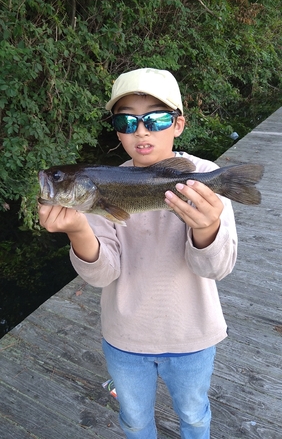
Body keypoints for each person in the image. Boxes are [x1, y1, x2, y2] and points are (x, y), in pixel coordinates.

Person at [38, 68, 238, 439]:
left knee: (195, 417)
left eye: (156, 119)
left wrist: (206, 226)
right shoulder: (99, 189)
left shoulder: (204, 175)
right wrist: (79, 227)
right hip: (125, 339)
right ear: (117, 131)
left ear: (178, 124)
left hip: (192, 335)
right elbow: (102, 274)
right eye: (127, 120)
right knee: (133, 420)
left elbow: (217, 268)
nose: (141, 130)